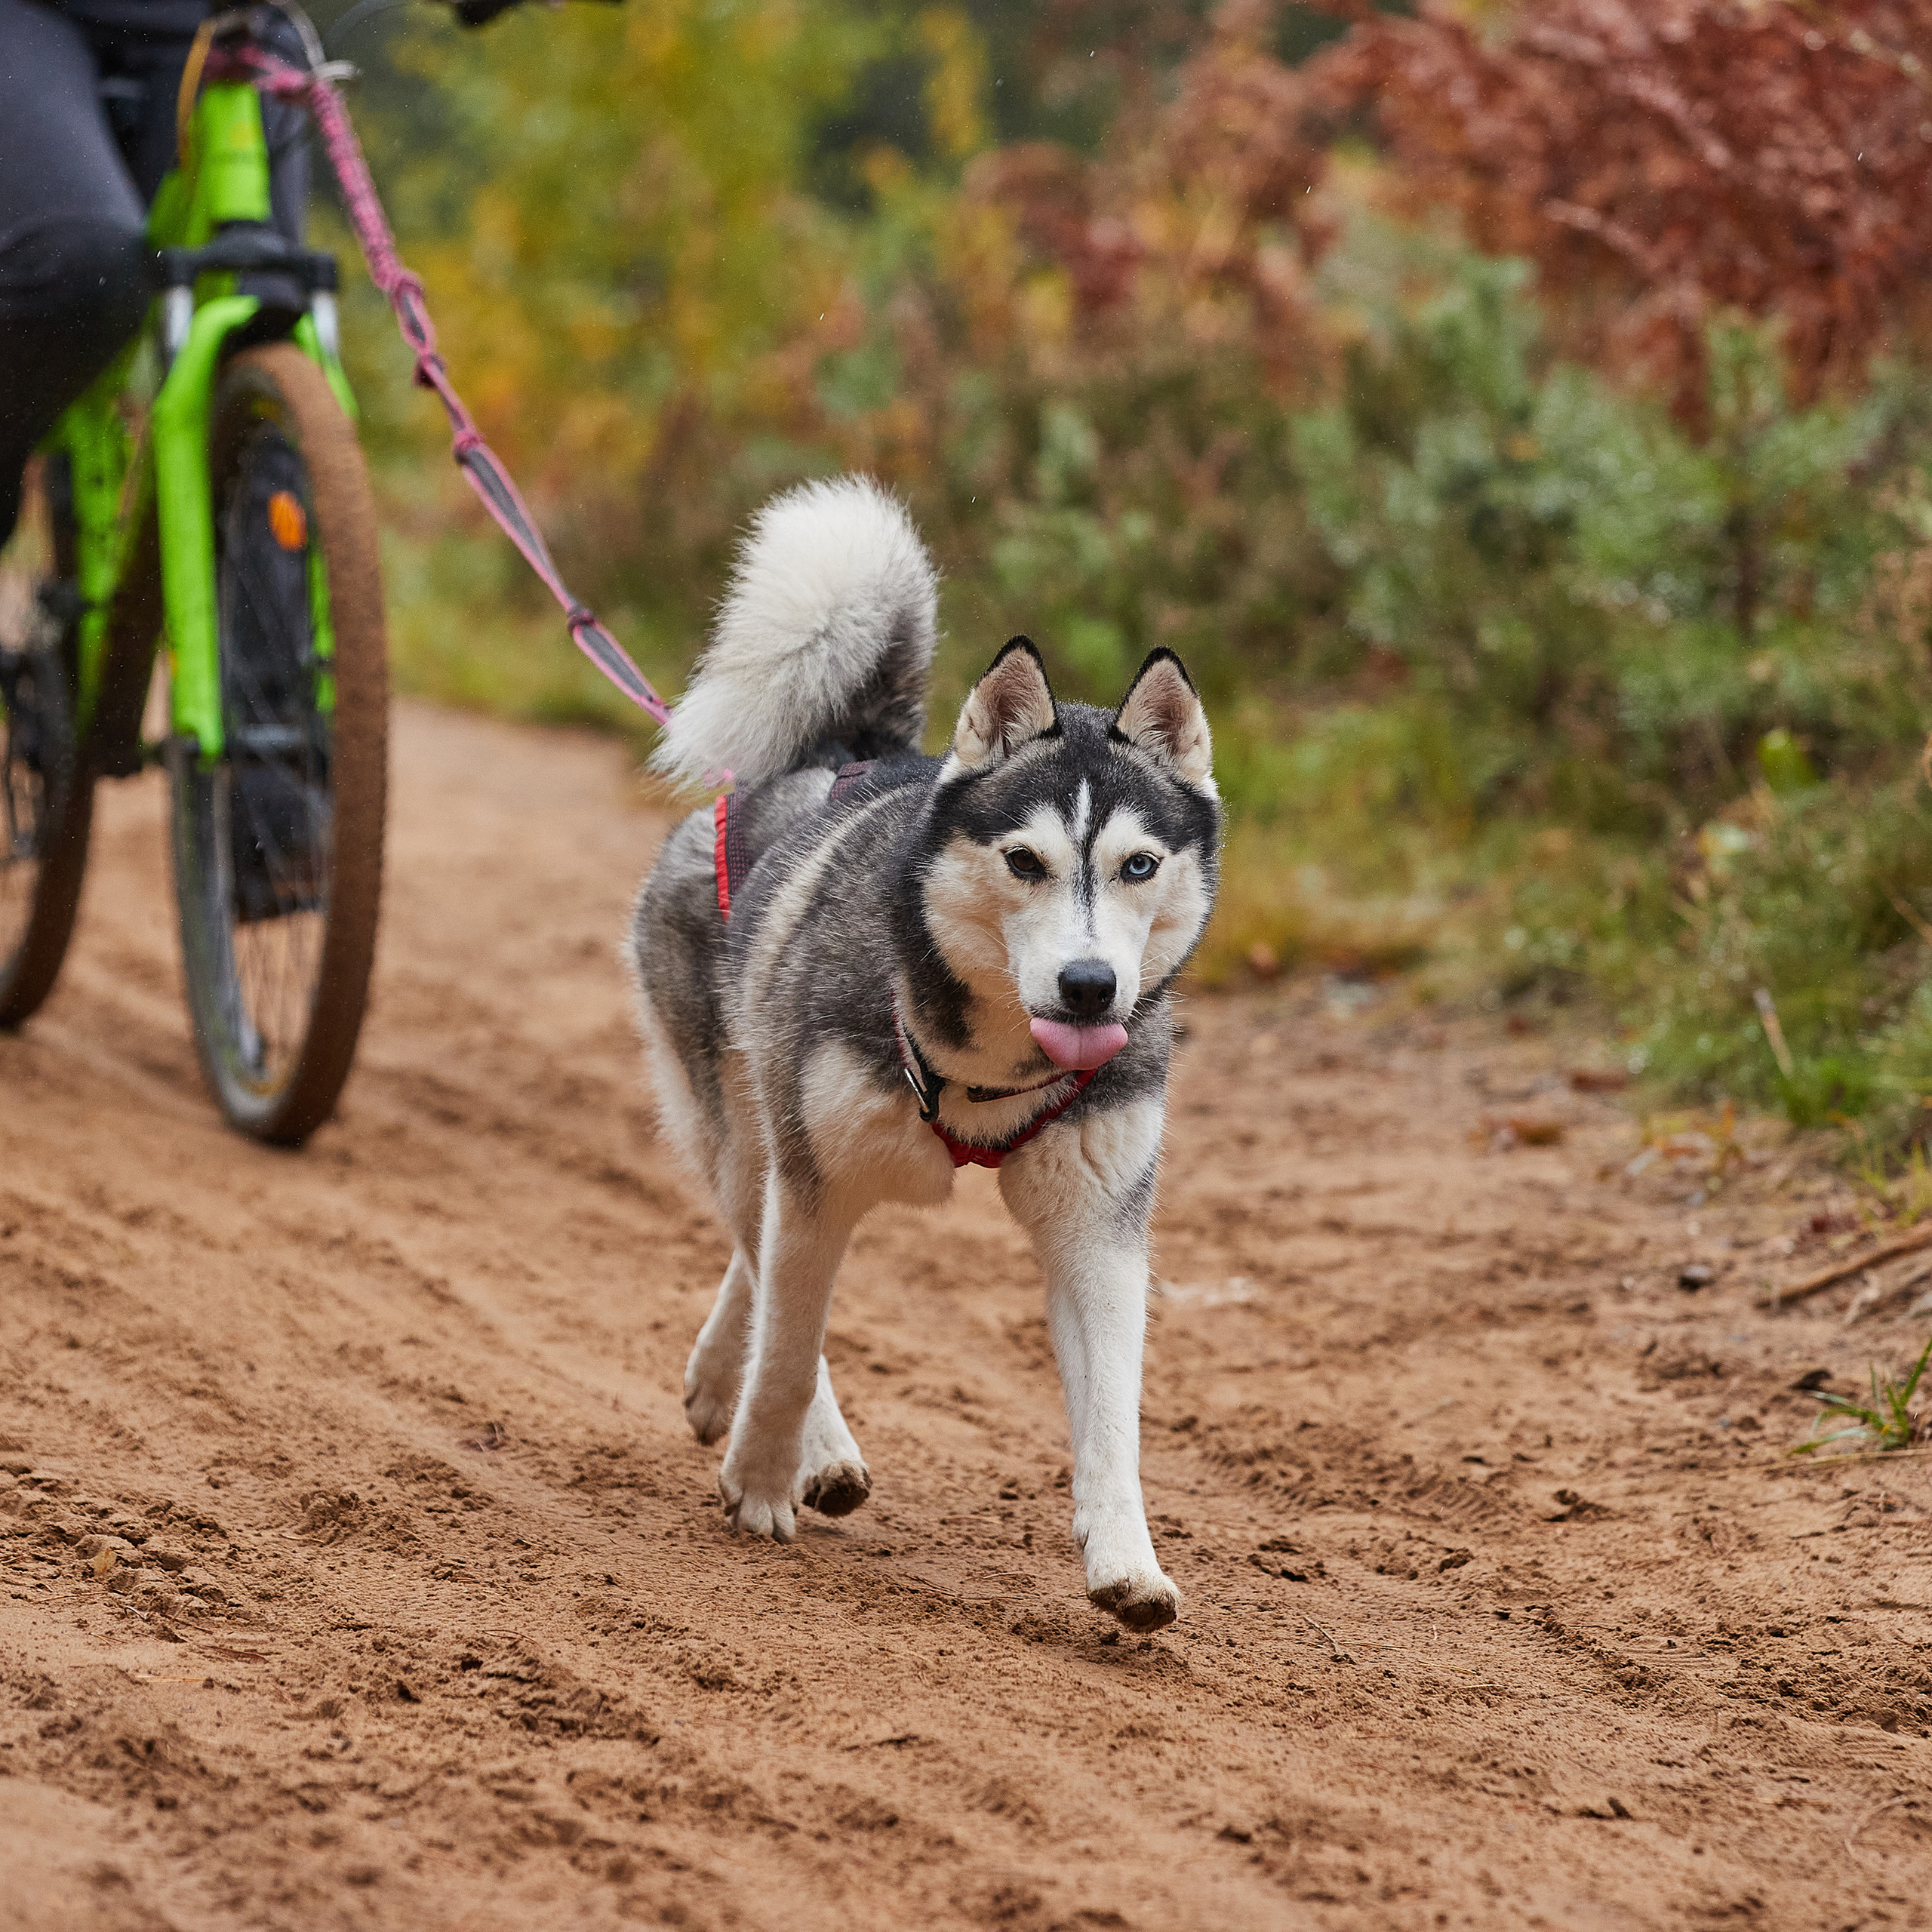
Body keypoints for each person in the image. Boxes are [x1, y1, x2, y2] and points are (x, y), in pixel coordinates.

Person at [0, 0, 529, 552]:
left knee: (263, 306)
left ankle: (274, 625)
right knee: (79, 270)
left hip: (223, 21)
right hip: (35, 16)